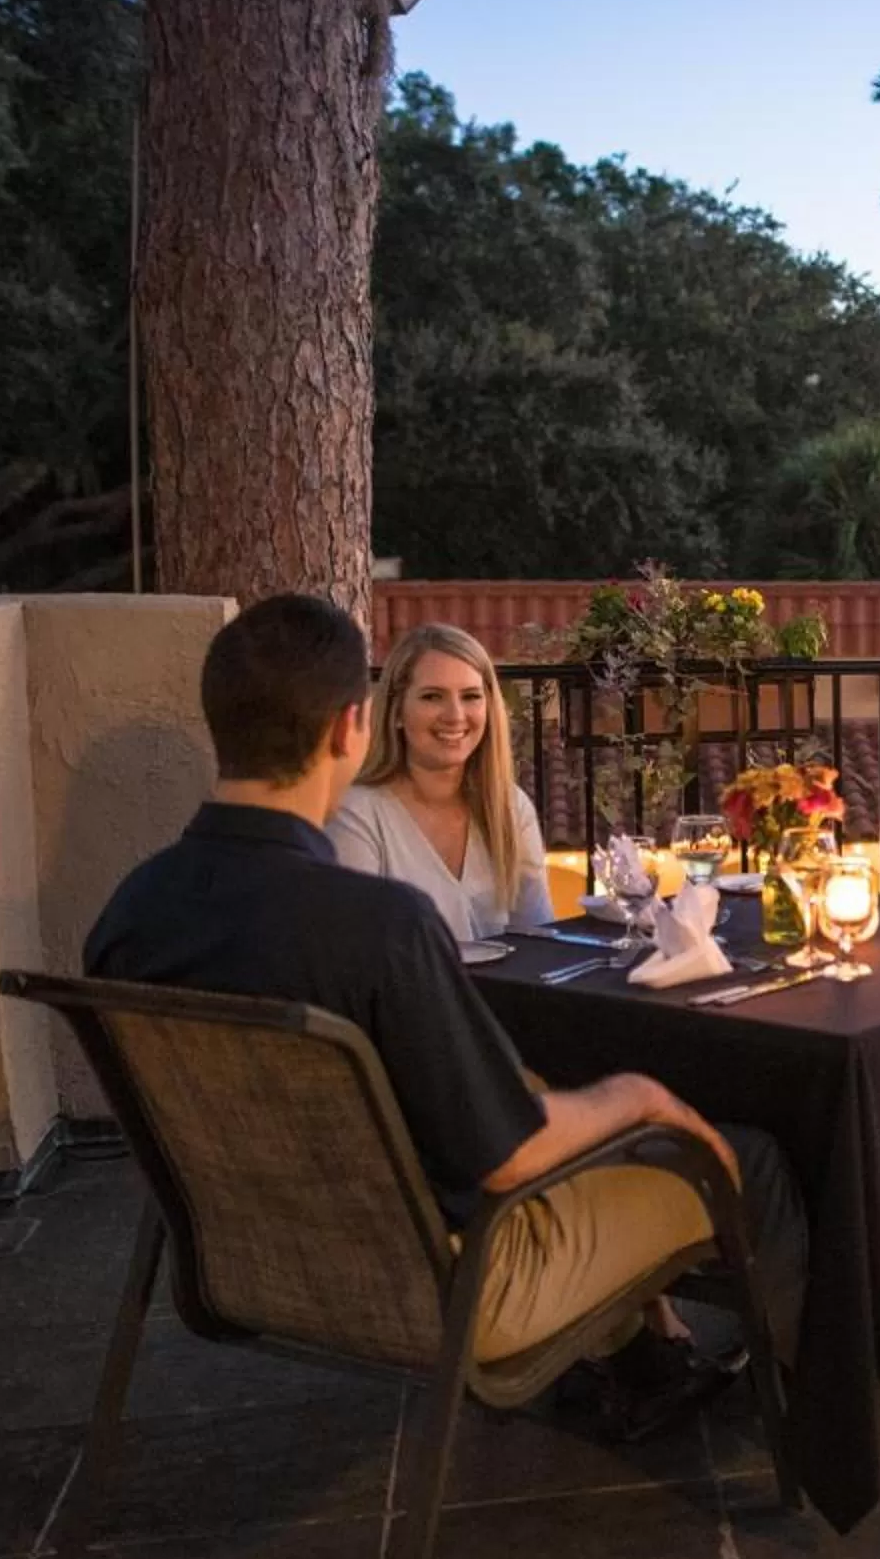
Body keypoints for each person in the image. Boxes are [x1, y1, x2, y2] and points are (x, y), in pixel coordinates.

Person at [85, 595, 804, 1441]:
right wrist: (643, 1096)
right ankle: (812, 1419)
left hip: (251, 1262)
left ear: (221, 723)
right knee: (751, 1160)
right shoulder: (375, 926)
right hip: (454, 1281)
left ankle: (646, 1360)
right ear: (354, 727)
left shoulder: (128, 916)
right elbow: (509, 1159)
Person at [327, 623, 552, 943]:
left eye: (471, 696)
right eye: (433, 696)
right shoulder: (357, 815)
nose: (455, 715)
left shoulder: (511, 807)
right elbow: (356, 953)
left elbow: (539, 939)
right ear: (396, 712)